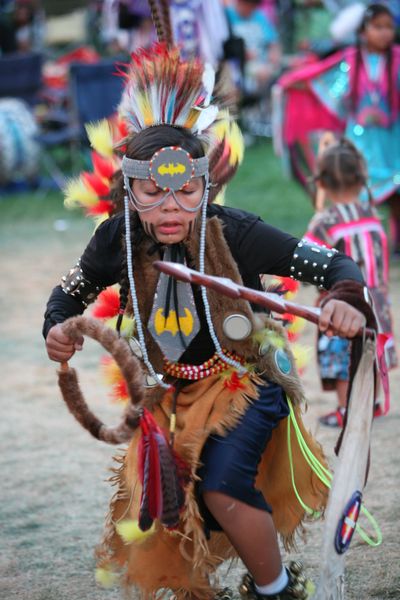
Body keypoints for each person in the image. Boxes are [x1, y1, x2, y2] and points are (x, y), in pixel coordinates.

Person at [43, 38, 374, 600]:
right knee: (168, 503)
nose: (171, 207)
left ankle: (275, 591)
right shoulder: (116, 239)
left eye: (186, 192)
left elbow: (338, 264)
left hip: (244, 380)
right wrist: (57, 326)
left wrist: (343, 296)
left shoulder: (237, 231)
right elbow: (69, 294)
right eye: (153, 192)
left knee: (221, 485)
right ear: (129, 191)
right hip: (167, 397)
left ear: (204, 186)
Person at [274, 3, 400, 254]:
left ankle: (396, 242)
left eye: (388, 27)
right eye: (378, 27)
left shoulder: (397, 59)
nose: (384, 33)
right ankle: (359, 240)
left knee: (397, 191)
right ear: (363, 31)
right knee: (360, 188)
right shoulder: (351, 60)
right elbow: (327, 82)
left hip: (393, 140)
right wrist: (294, 84)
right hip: (361, 140)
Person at [304, 137, 397, 427]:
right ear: (361, 176)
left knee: (344, 355)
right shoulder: (372, 213)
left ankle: (347, 409)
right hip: (377, 300)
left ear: (322, 182)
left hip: (344, 303)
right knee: (370, 350)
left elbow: (308, 260)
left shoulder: (324, 222)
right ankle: (370, 402)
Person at [226, 0, 281, 95]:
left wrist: (273, 59)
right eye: (248, 6)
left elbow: (273, 43)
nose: (250, 10)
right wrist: (242, 54)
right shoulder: (227, 15)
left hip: (261, 66)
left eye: (253, 7)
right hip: (237, 67)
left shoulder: (259, 16)